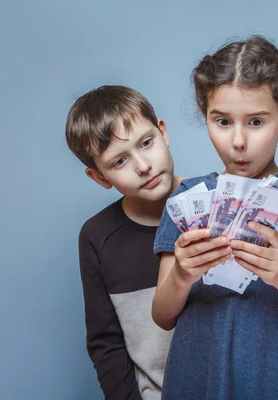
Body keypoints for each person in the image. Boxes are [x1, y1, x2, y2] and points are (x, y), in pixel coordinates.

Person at [151, 36, 278, 399]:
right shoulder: (186, 200)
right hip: (195, 378)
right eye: (222, 121)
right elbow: (162, 317)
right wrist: (181, 275)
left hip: (272, 379)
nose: (238, 141)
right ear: (205, 118)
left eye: (256, 122)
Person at [65, 85, 182, 399]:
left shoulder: (217, 200)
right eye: (119, 162)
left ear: (163, 132)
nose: (143, 165)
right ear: (100, 178)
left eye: (146, 143)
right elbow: (106, 345)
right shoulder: (97, 237)